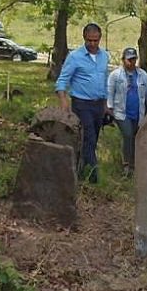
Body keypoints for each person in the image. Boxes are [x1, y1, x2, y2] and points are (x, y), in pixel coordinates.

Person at [56, 23, 111, 183]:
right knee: (89, 137)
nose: (93, 44)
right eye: (89, 40)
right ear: (84, 38)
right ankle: (94, 176)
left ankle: (79, 169)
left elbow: (104, 80)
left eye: (95, 40)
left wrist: (106, 105)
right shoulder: (75, 57)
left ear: (100, 39)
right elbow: (62, 80)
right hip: (82, 103)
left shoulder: (104, 56)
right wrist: (63, 100)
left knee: (92, 140)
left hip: (98, 104)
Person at [107, 47, 147, 177]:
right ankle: (126, 164)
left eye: (134, 59)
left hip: (138, 112)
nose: (131, 62)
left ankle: (135, 163)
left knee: (135, 136)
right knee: (128, 134)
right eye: (129, 60)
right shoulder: (115, 75)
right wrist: (109, 107)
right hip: (121, 112)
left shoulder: (142, 75)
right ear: (123, 60)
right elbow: (110, 92)